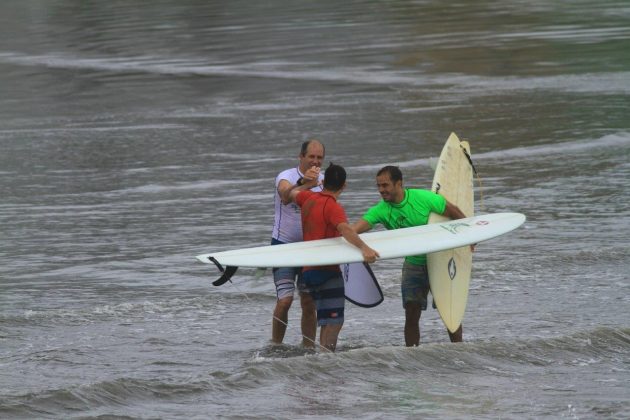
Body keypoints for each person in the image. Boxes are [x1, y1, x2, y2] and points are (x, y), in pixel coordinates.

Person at [352, 165, 469, 346]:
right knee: (411, 312)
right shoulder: (381, 210)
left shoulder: (423, 198)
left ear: (399, 184)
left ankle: (459, 349)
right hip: (414, 264)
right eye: (378, 186)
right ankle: (412, 354)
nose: (381, 190)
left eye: (385, 185)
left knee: (449, 311)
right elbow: (355, 230)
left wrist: (469, 240)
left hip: (440, 260)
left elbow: (455, 213)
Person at [283, 163, 379, 352]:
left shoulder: (308, 198)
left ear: (324, 182)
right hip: (326, 271)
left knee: (325, 319)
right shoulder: (333, 207)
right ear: (344, 185)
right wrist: (365, 248)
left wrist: (306, 183)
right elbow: (345, 230)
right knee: (334, 321)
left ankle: (320, 358)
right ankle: (327, 359)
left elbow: (290, 195)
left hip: (307, 271)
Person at [270, 139, 325, 347]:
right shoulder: (286, 176)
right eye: (311, 157)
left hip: (310, 249)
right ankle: (275, 345)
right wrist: (303, 184)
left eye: (319, 158)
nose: (315, 162)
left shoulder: (324, 180)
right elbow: (285, 196)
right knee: (285, 301)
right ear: (301, 157)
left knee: (309, 303)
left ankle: (308, 348)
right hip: (283, 245)